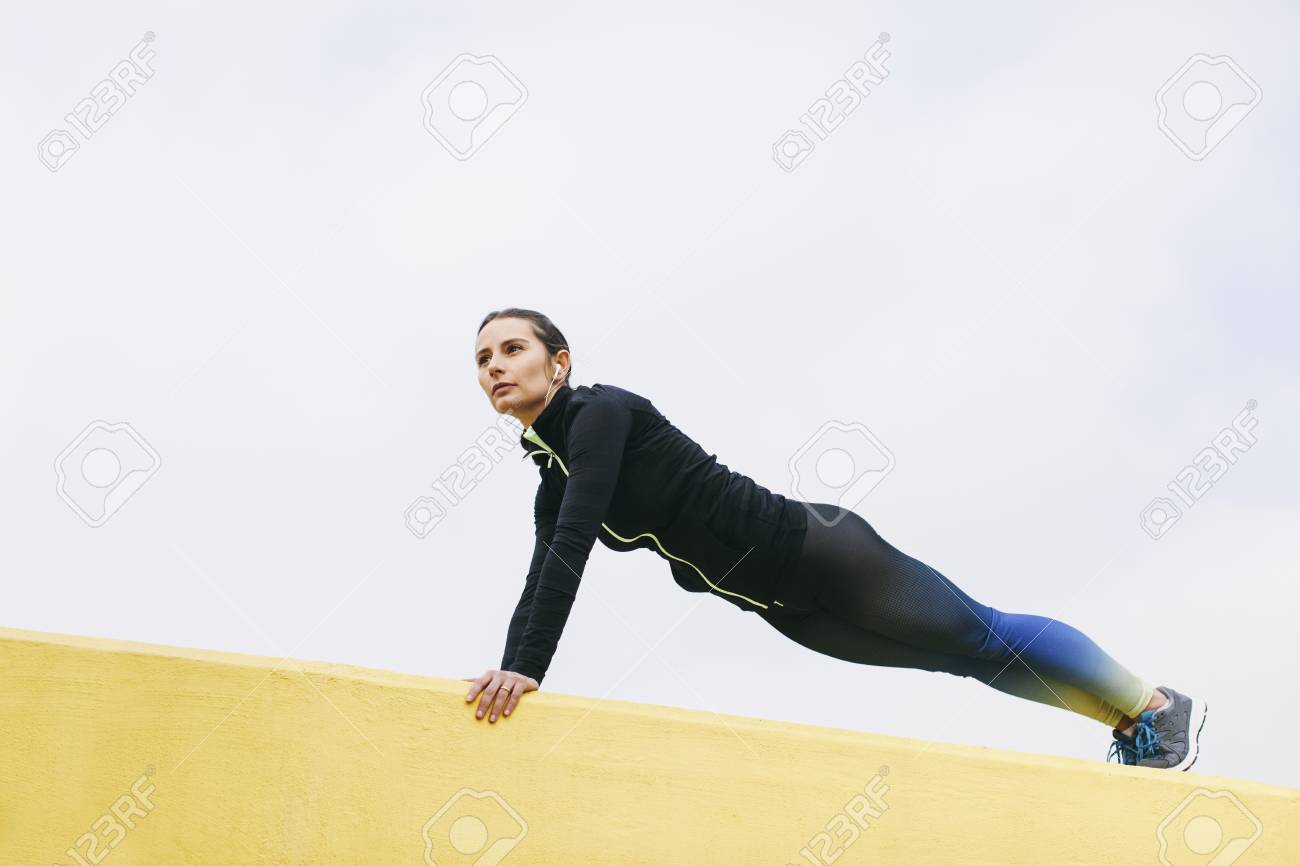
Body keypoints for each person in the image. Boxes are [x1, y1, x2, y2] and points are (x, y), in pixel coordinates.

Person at [464, 308, 1208, 770]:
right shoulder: (553, 470)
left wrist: (529, 670)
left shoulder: (601, 415)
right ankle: (1126, 724)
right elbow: (542, 571)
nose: (496, 366)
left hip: (819, 551)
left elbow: (572, 546)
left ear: (558, 362)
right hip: (782, 603)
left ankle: (1153, 705)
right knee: (966, 664)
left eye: (512, 350)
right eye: (483, 360)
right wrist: (513, 670)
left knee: (980, 633)